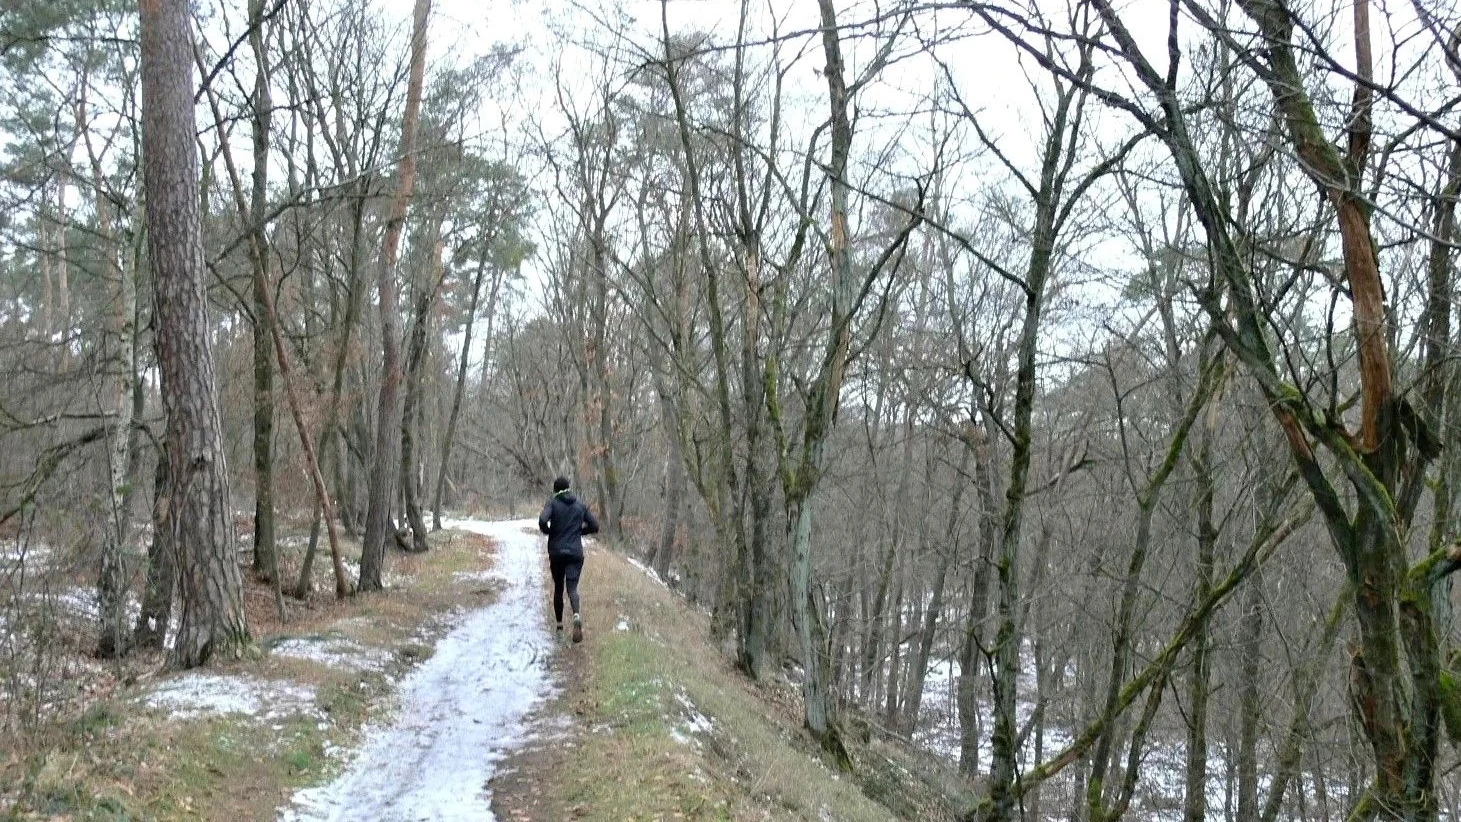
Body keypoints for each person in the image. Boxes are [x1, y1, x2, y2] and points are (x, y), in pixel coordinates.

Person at [538, 476, 599, 643]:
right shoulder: (580, 505)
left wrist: (549, 532)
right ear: (569, 488)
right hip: (575, 553)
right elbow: (595, 526)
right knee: (572, 588)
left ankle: (559, 628)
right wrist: (580, 532)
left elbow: (543, 520)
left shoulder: (553, 503)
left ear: (555, 490)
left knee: (559, 587)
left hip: (557, 553)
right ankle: (576, 616)